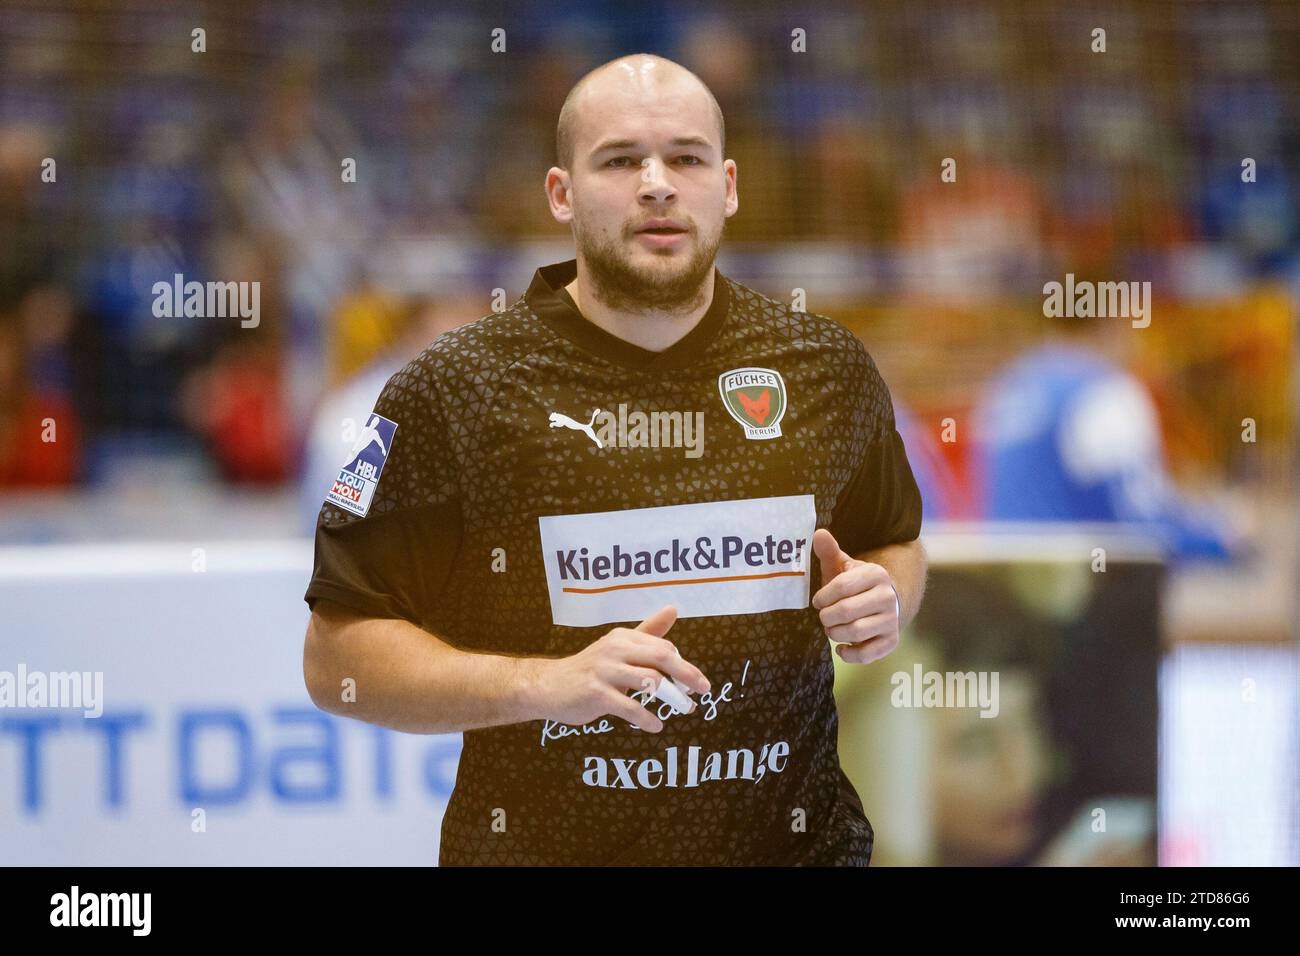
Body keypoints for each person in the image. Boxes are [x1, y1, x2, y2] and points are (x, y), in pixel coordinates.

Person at [302, 53, 926, 866]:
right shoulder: (455, 391)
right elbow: (336, 658)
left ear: (727, 187)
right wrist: (544, 685)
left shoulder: (825, 368)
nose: (658, 183)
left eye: (687, 158)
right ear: (561, 193)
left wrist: (886, 605)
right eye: (622, 160)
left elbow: (893, 544)